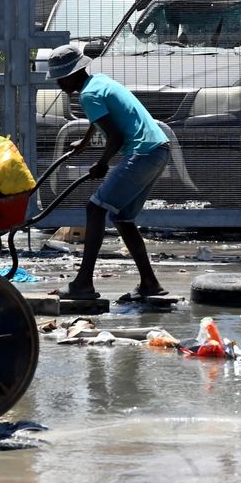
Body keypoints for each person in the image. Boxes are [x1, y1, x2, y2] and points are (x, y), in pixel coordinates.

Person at [45, 44, 169, 301]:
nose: (59, 84)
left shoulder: (87, 96)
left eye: (60, 78)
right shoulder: (98, 82)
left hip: (142, 153)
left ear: (71, 75)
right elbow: (102, 119)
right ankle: (149, 283)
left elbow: (115, 136)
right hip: (158, 149)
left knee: (95, 209)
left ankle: (83, 283)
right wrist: (86, 141)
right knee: (122, 218)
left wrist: (101, 163)